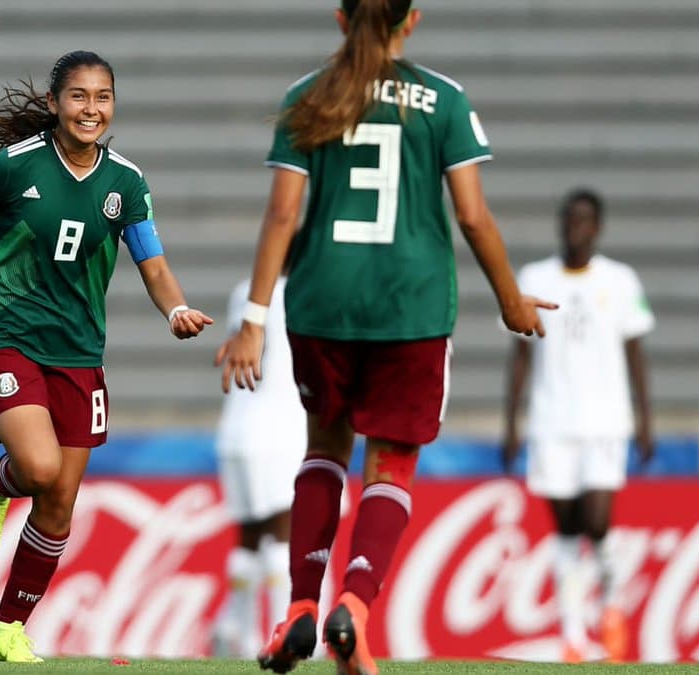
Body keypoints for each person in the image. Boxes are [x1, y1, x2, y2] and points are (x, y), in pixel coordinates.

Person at [215, 1, 556, 673]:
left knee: (324, 449)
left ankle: (301, 607)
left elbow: (283, 214)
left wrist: (252, 318)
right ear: (412, 20)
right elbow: (473, 215)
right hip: (412, 308)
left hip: (323, 302)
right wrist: (510, 298)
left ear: (341, 19)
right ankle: (354, 607)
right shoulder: (444, 100)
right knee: (391, 465)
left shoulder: (308, 96)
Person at [0, 50, 213, 663]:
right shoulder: (15, 166)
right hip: (4, 334)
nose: (91, 109)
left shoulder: (126, 182)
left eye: (102, 97)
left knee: (60, 502)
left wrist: (175, 309)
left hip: (79, 349)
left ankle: (7, 629)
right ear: (54, 103)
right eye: (78, 96)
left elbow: (153, 263)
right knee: (38, 468)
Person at [502, 188, 654, 664]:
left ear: (598, 227)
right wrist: (512, 423)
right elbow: (520, 357)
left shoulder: (620, 280)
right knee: (567, 530)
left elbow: (635, 353)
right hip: (551, 422)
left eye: (585, 220)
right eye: (569, 218)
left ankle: (610, 606)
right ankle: (573, 636)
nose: (576, 227)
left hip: (606, 421)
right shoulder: (534, 278)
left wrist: (646, 420)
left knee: (598, 521)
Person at [211, 275, 307, 659]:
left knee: (249, 536)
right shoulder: (303, 290)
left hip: (236, 428)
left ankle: (238, 631)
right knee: (285, 533)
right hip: (281, 428)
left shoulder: (244, 290)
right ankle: (286, 632)